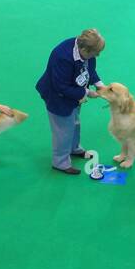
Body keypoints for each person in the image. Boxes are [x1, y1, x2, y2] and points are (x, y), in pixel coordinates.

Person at [36, 29, 105, 175]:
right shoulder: (62, 56)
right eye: (95, 53)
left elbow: (89, 69)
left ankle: (74, 149)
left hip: (74, 95)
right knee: (63, 130)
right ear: (84, 49)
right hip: (57, 97)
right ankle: (60, 162)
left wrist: (99, 84)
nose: (96, 56)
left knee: (74, 123)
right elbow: (61, 86)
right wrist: (86, 92)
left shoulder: (87, 50)